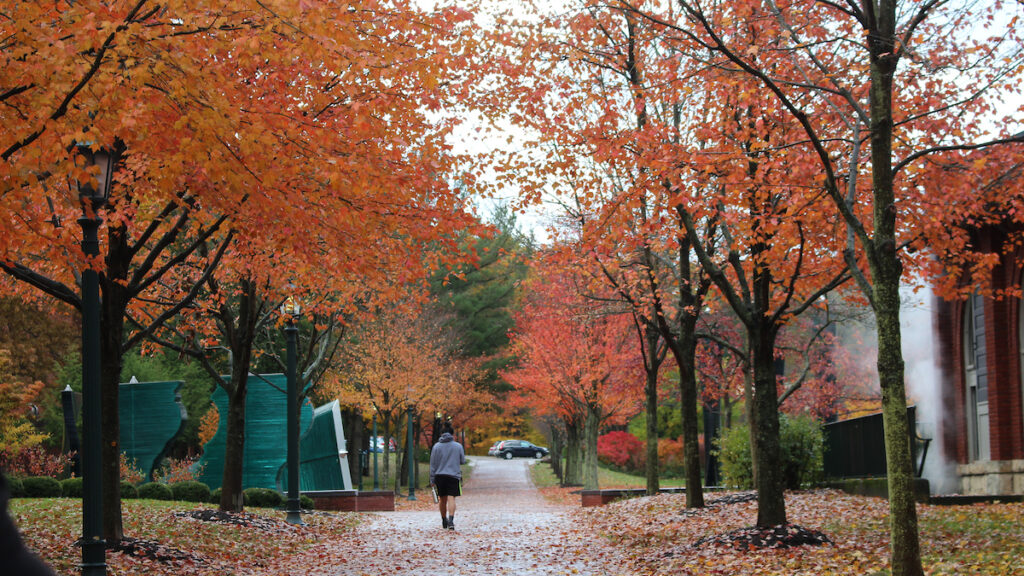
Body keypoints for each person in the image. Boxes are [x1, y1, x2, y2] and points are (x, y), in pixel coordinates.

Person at [429, 422, 465, 530]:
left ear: (441, 434)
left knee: (442, 499)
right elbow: (462, 461)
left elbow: (433, 464)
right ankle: (451, 520)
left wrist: (432, 479)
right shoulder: (458, 446)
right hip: (453, 475)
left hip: (440, 476)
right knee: (451, 498)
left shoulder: (436, 447)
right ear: (452, 434)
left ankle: (444, 520)